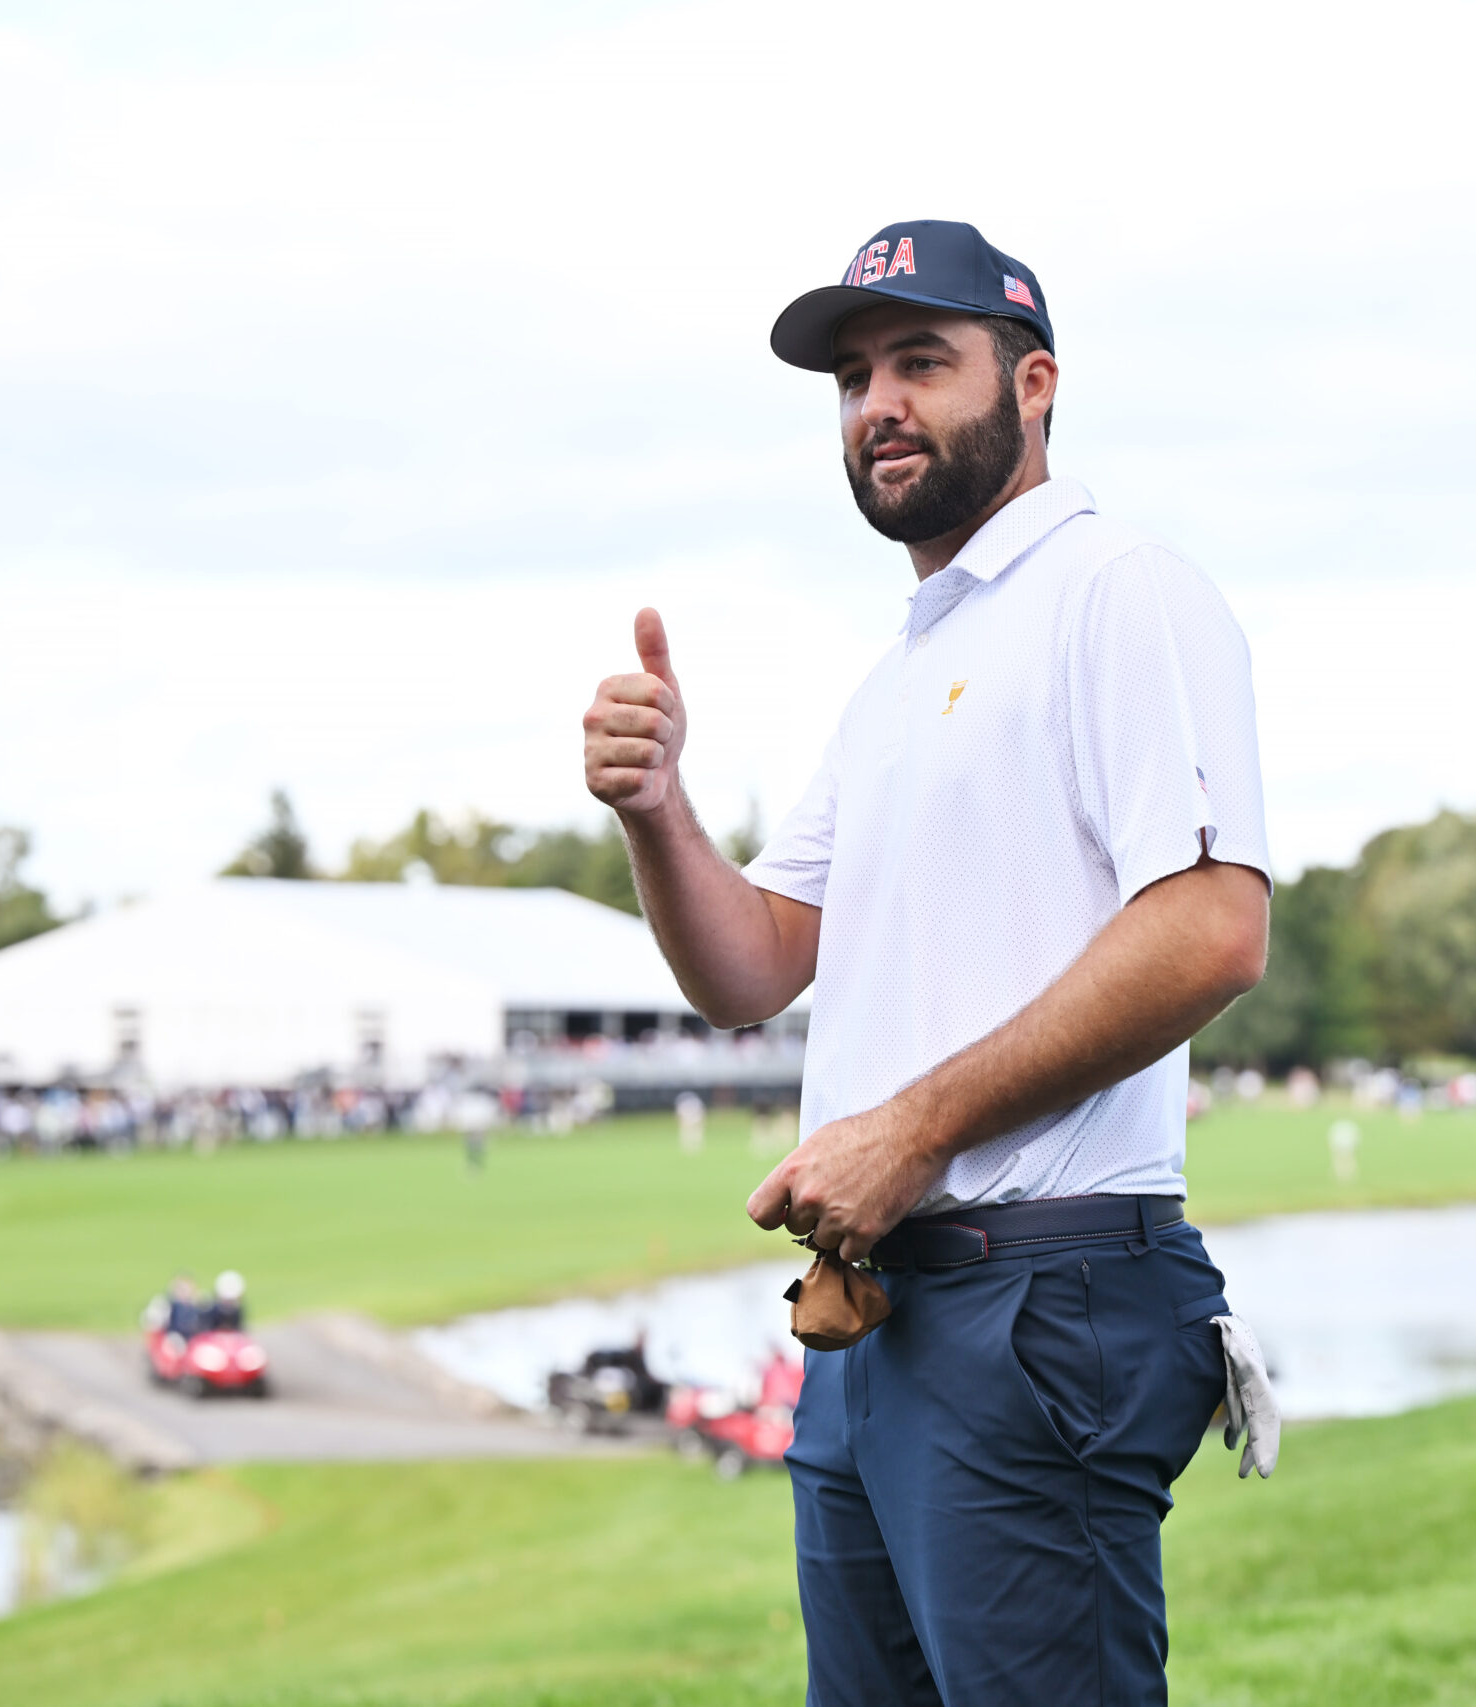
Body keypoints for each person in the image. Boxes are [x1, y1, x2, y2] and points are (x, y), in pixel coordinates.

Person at [581, 218, 1278, 1707]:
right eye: (851, 377)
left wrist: (911, 1130)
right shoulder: (899, 678)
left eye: (920, 362)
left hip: (1037, 1295)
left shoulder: (1118, 591)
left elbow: (1214, 923)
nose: (877, 403)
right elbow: (753, 967)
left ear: (1034, 385)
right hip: (878, 1319)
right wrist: (656, 813)